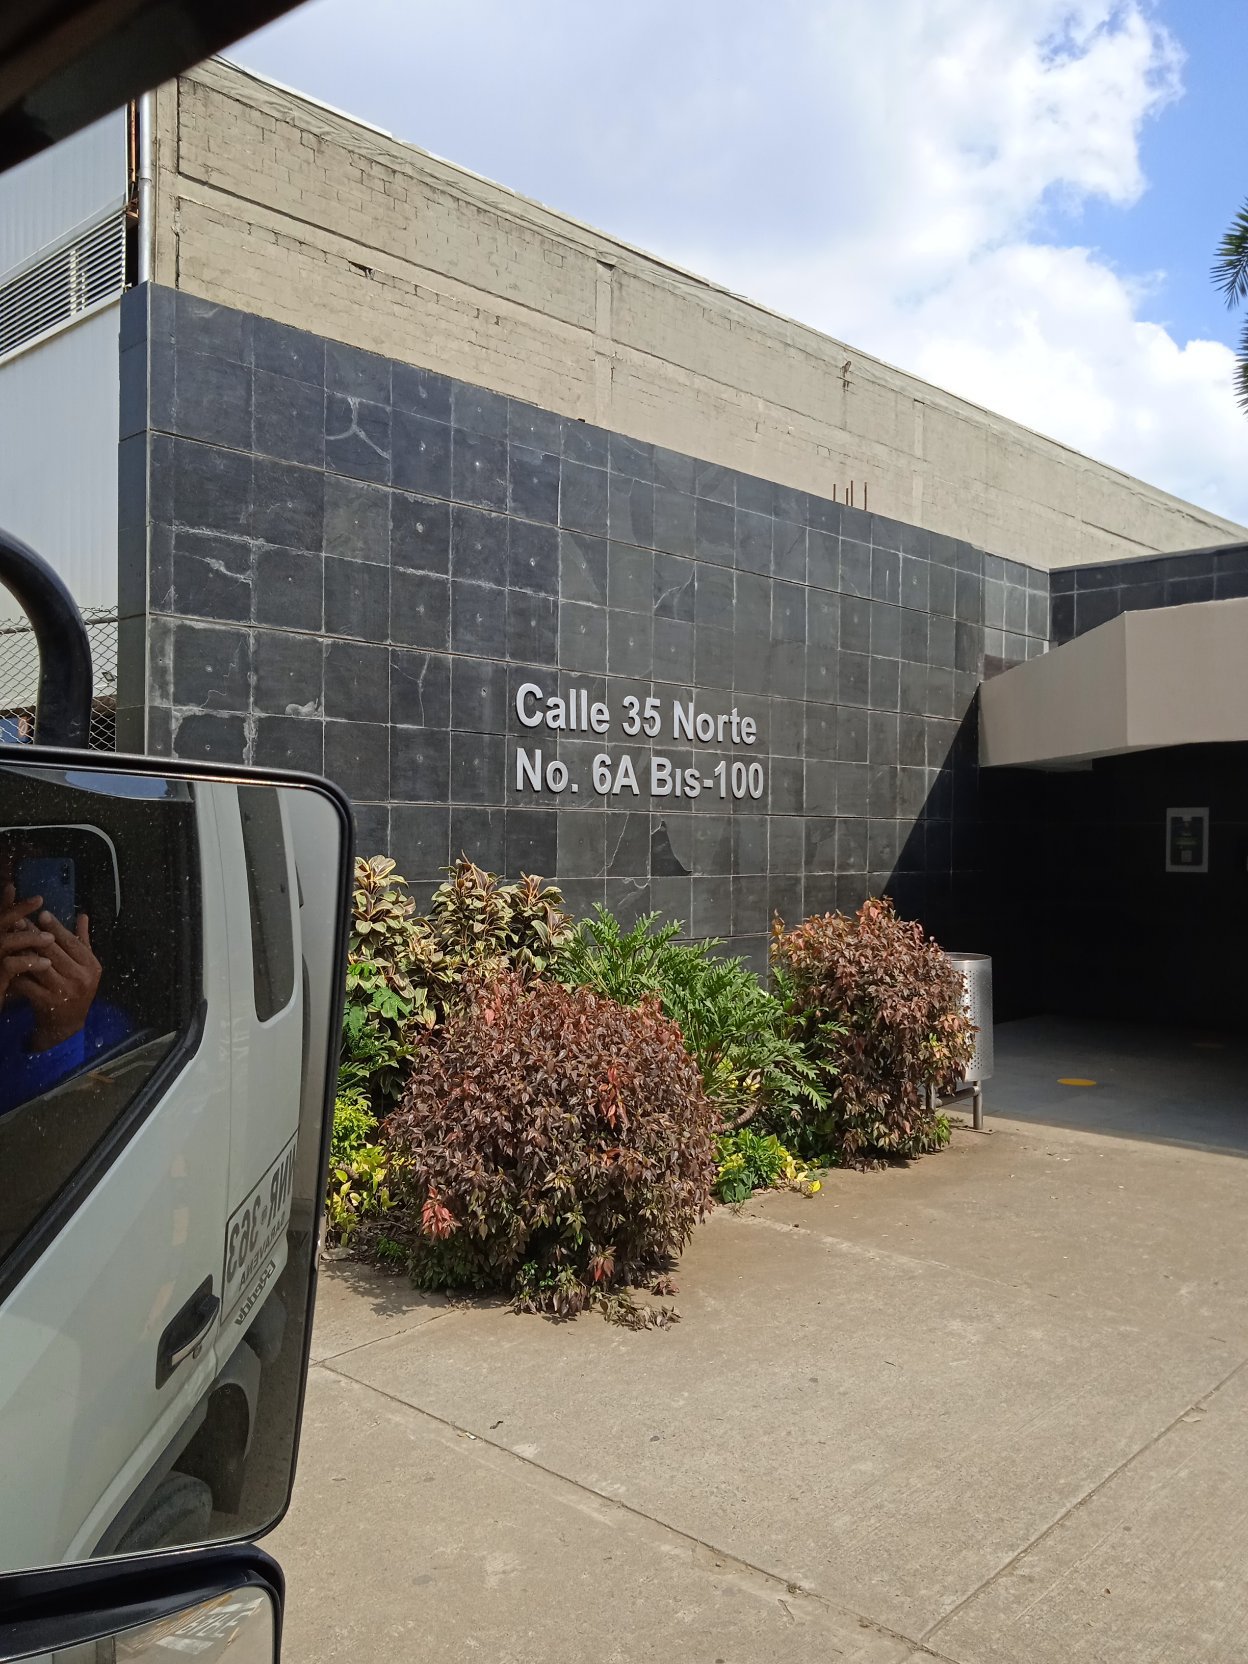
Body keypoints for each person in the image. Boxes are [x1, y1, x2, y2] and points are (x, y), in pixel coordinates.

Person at [0, 879, 129, 1117]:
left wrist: (60, 1033)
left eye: (20, 876)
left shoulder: (103, 1025)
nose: (18, 915)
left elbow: (72, 1126)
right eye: (2, 889)